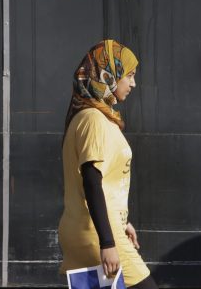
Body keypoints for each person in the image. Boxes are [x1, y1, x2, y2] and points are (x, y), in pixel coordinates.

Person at [58, 40, 158, 289]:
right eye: (130, 76)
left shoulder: (87, 115)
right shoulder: (93, 119)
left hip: (88, 228)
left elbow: (102, 183)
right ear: (108, 75)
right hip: (98, 234)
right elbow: (91, 180)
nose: (133, 84)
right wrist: (107, 242)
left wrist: (123, 221)